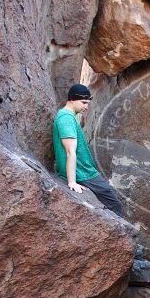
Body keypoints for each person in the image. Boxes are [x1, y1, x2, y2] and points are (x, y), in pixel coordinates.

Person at [52, 83, 122, 217]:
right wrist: (72, 182)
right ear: (72, 99)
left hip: (84, 171)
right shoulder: (66, 118)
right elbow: (70, 151)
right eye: (83, 102)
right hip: (82, 173)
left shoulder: (68, 116)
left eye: (87, 103)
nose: (86, 106)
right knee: (114, 204)